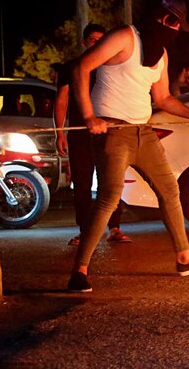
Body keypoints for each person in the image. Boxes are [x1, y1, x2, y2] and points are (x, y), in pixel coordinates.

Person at [67, 0, 189, 293]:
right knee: (109, 197)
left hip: (144, 132)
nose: (176, 31)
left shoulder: (161, 55)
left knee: (170, 189)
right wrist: (89, 116)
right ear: (163, 19)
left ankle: (185, 258)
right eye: (175, 23)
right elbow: (81, 68)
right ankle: (80, 270)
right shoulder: (124, 37)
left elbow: (163, 99)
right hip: (113, 130)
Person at [54, 24, 131, 247]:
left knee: (111, 179)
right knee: (82, 182)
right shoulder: (71, 67)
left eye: (101, 40)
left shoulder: (111, 67)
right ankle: (85, 230)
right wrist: (60, 132)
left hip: (109, 132)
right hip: (80, 133)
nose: (96, 44)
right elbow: (62, 101)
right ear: (84, 42)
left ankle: (114, 227)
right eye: (92, 40)